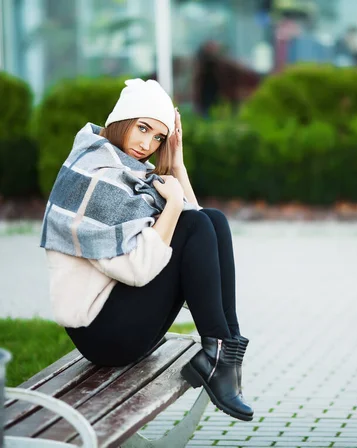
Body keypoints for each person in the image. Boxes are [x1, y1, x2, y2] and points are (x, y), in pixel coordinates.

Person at [40, 78, 253, 422]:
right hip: (102, 334)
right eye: (142, 128)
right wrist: (170, 207)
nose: (147, 144)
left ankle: (224, 353)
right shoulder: (96, 175)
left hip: (122, 318)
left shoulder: (123, 169)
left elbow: (204, 240)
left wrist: (178, 166)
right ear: (122, 120)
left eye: (158, 137)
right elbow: (138, 270)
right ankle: (219, 356)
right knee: (197, 223)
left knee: (213, 220)